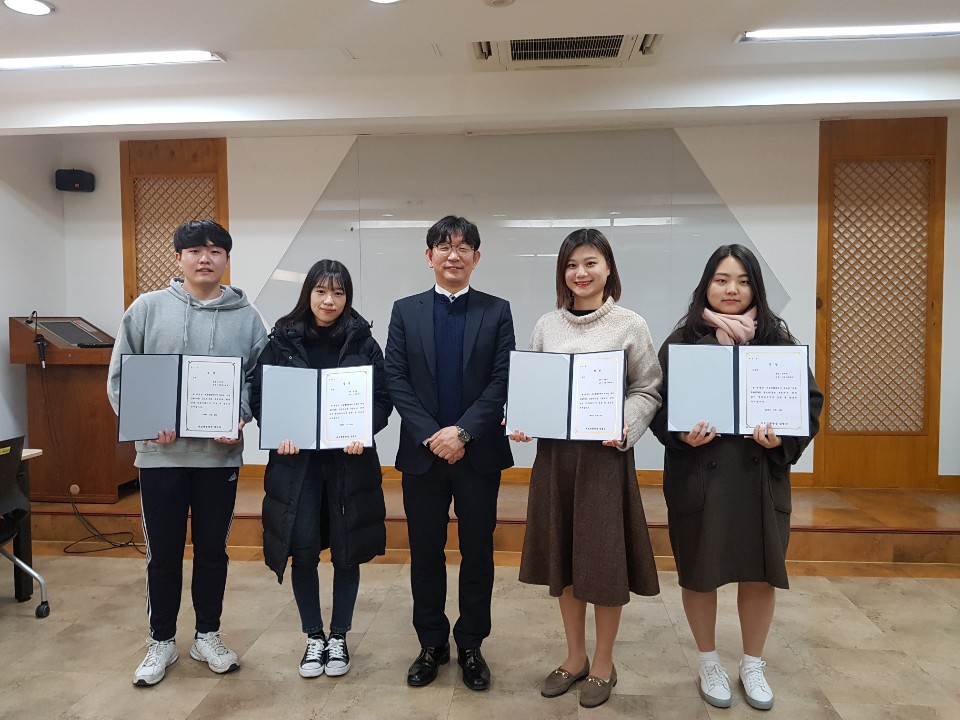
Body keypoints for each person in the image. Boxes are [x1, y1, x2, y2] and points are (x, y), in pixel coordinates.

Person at [650, 244, 823, 711]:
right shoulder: (683, 341)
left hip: (760, 478)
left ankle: (752, 663)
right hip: (700, 477)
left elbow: (809, 405)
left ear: (755, 288)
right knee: (699, 572)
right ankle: (708, 661)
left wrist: (782, 440)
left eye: (743, 281)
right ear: (707, 284)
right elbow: (656, 405)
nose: (732, 289)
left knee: (761, 572)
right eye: (722, 279)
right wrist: (680, 434)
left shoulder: (777, 342)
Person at [107, 219, 269, 686]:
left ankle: (207, 635)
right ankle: (161, 641)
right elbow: (121, 377)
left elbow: (258, 379)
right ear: (178, 258)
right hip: (161, 457)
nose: (205, 258)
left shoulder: (247, 316)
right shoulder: (147, 309)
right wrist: (144, 422)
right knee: (163, 554)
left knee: (213, 551)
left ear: (226, 259)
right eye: (195, 250)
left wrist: (240, 416)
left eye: (216, 251)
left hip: (219, 458)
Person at [509, 228, 662, 709]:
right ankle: (575, 657)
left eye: (591, 262)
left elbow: (648, 389)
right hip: (555, 460)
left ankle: (604, 663)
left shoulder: (630, 325)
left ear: (608, 268)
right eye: (572, 265)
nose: (581, 273)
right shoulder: (546, 326)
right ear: (563, 272)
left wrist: (626, 423)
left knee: (604, 562)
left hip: (604, 460)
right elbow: (531, 387)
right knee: (565, 560)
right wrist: (520, 418)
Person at [384, 215, 514, 691]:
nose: (453, 255)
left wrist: (462, 433)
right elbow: (395, 377)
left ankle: (472, 645)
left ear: (476, 258)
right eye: (444, 246)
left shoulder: (497, 310)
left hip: (478, 455)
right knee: (425, 552)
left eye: (463, 248)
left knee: (478, 552)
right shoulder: (405, 310)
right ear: (429, 256)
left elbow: (502, 379)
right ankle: (431, 643)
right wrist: (432, 435)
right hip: (423, 456)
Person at [249, 259, 392, 679]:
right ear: (308, 293)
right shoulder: (281, 340)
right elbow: (260, 395)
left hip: (349, 463)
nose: (329, 300)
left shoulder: (363, 341)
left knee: (347, 551)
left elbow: (382, 398)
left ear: (347, 297)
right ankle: (314, 636)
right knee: (304, 549)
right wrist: (278, 431)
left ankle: (339, 636)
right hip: (298, 466)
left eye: (339, 293)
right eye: (321, 291)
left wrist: (363, 429)